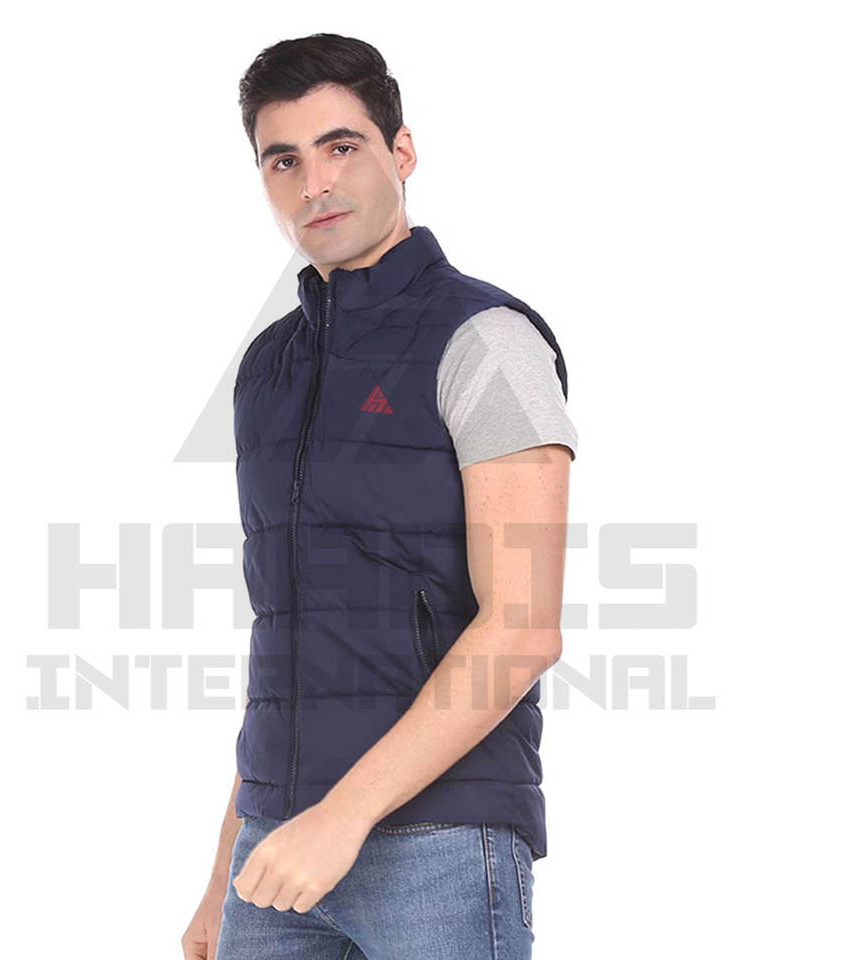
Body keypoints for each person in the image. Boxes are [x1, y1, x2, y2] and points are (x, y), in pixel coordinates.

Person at [182, 33, 577, 960]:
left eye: (341, 146)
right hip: (276, 855)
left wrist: (342, 818)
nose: (314, 183)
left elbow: (524, 628)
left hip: (440, 846)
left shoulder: (486, 340)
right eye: (284, 160)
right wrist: (221, 874)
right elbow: (286, 648)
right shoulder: (268, 371)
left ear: (402, 151)